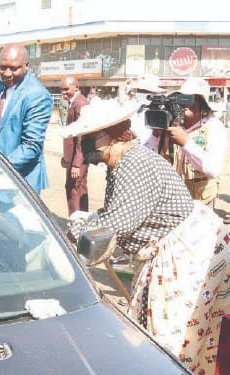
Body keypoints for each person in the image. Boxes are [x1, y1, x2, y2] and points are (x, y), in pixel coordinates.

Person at [63, 99, 229, 375]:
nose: (85, 146)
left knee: (170, 344)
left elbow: (115, 226)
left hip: (186, 256)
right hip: (178, 248)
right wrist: (90, 220)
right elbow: (115, 213)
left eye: (89, 139)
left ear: (115, 134)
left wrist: (77, 230)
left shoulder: (134, 164)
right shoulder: (124, 162)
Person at [144, 77, 227, 208]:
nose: (183, 103)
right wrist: (156, 136)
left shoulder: (214, 127)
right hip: (172, 201)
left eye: (189, 98)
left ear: (202, 103)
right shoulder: (170, 123)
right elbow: (145, 158)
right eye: (180, 98)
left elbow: (213, 169)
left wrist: (186, 143)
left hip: (201, 204)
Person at [0, 43, 52, 194]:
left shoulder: (36, 95)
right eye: (2, 67)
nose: (7, 73)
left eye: (14, 68)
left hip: (17, 179)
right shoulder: (0, 84)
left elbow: (31, 146)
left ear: (27, 65)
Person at [59, 76, 89, 216]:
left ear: (76, 87)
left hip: (78, 157)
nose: (63, 93)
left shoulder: (79, 104)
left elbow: (82, 137)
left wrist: (76, 164)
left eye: (66, 89)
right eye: (62, 90)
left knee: (73, 189)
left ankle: (75, 226)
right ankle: (82, 223)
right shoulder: (74, 102)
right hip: (73, 156)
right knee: (80, 188)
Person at [129, 74, 166, 144]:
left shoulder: (161, 111)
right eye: (140, 90)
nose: (141, 93)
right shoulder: (131, 107)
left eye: (146, 91)